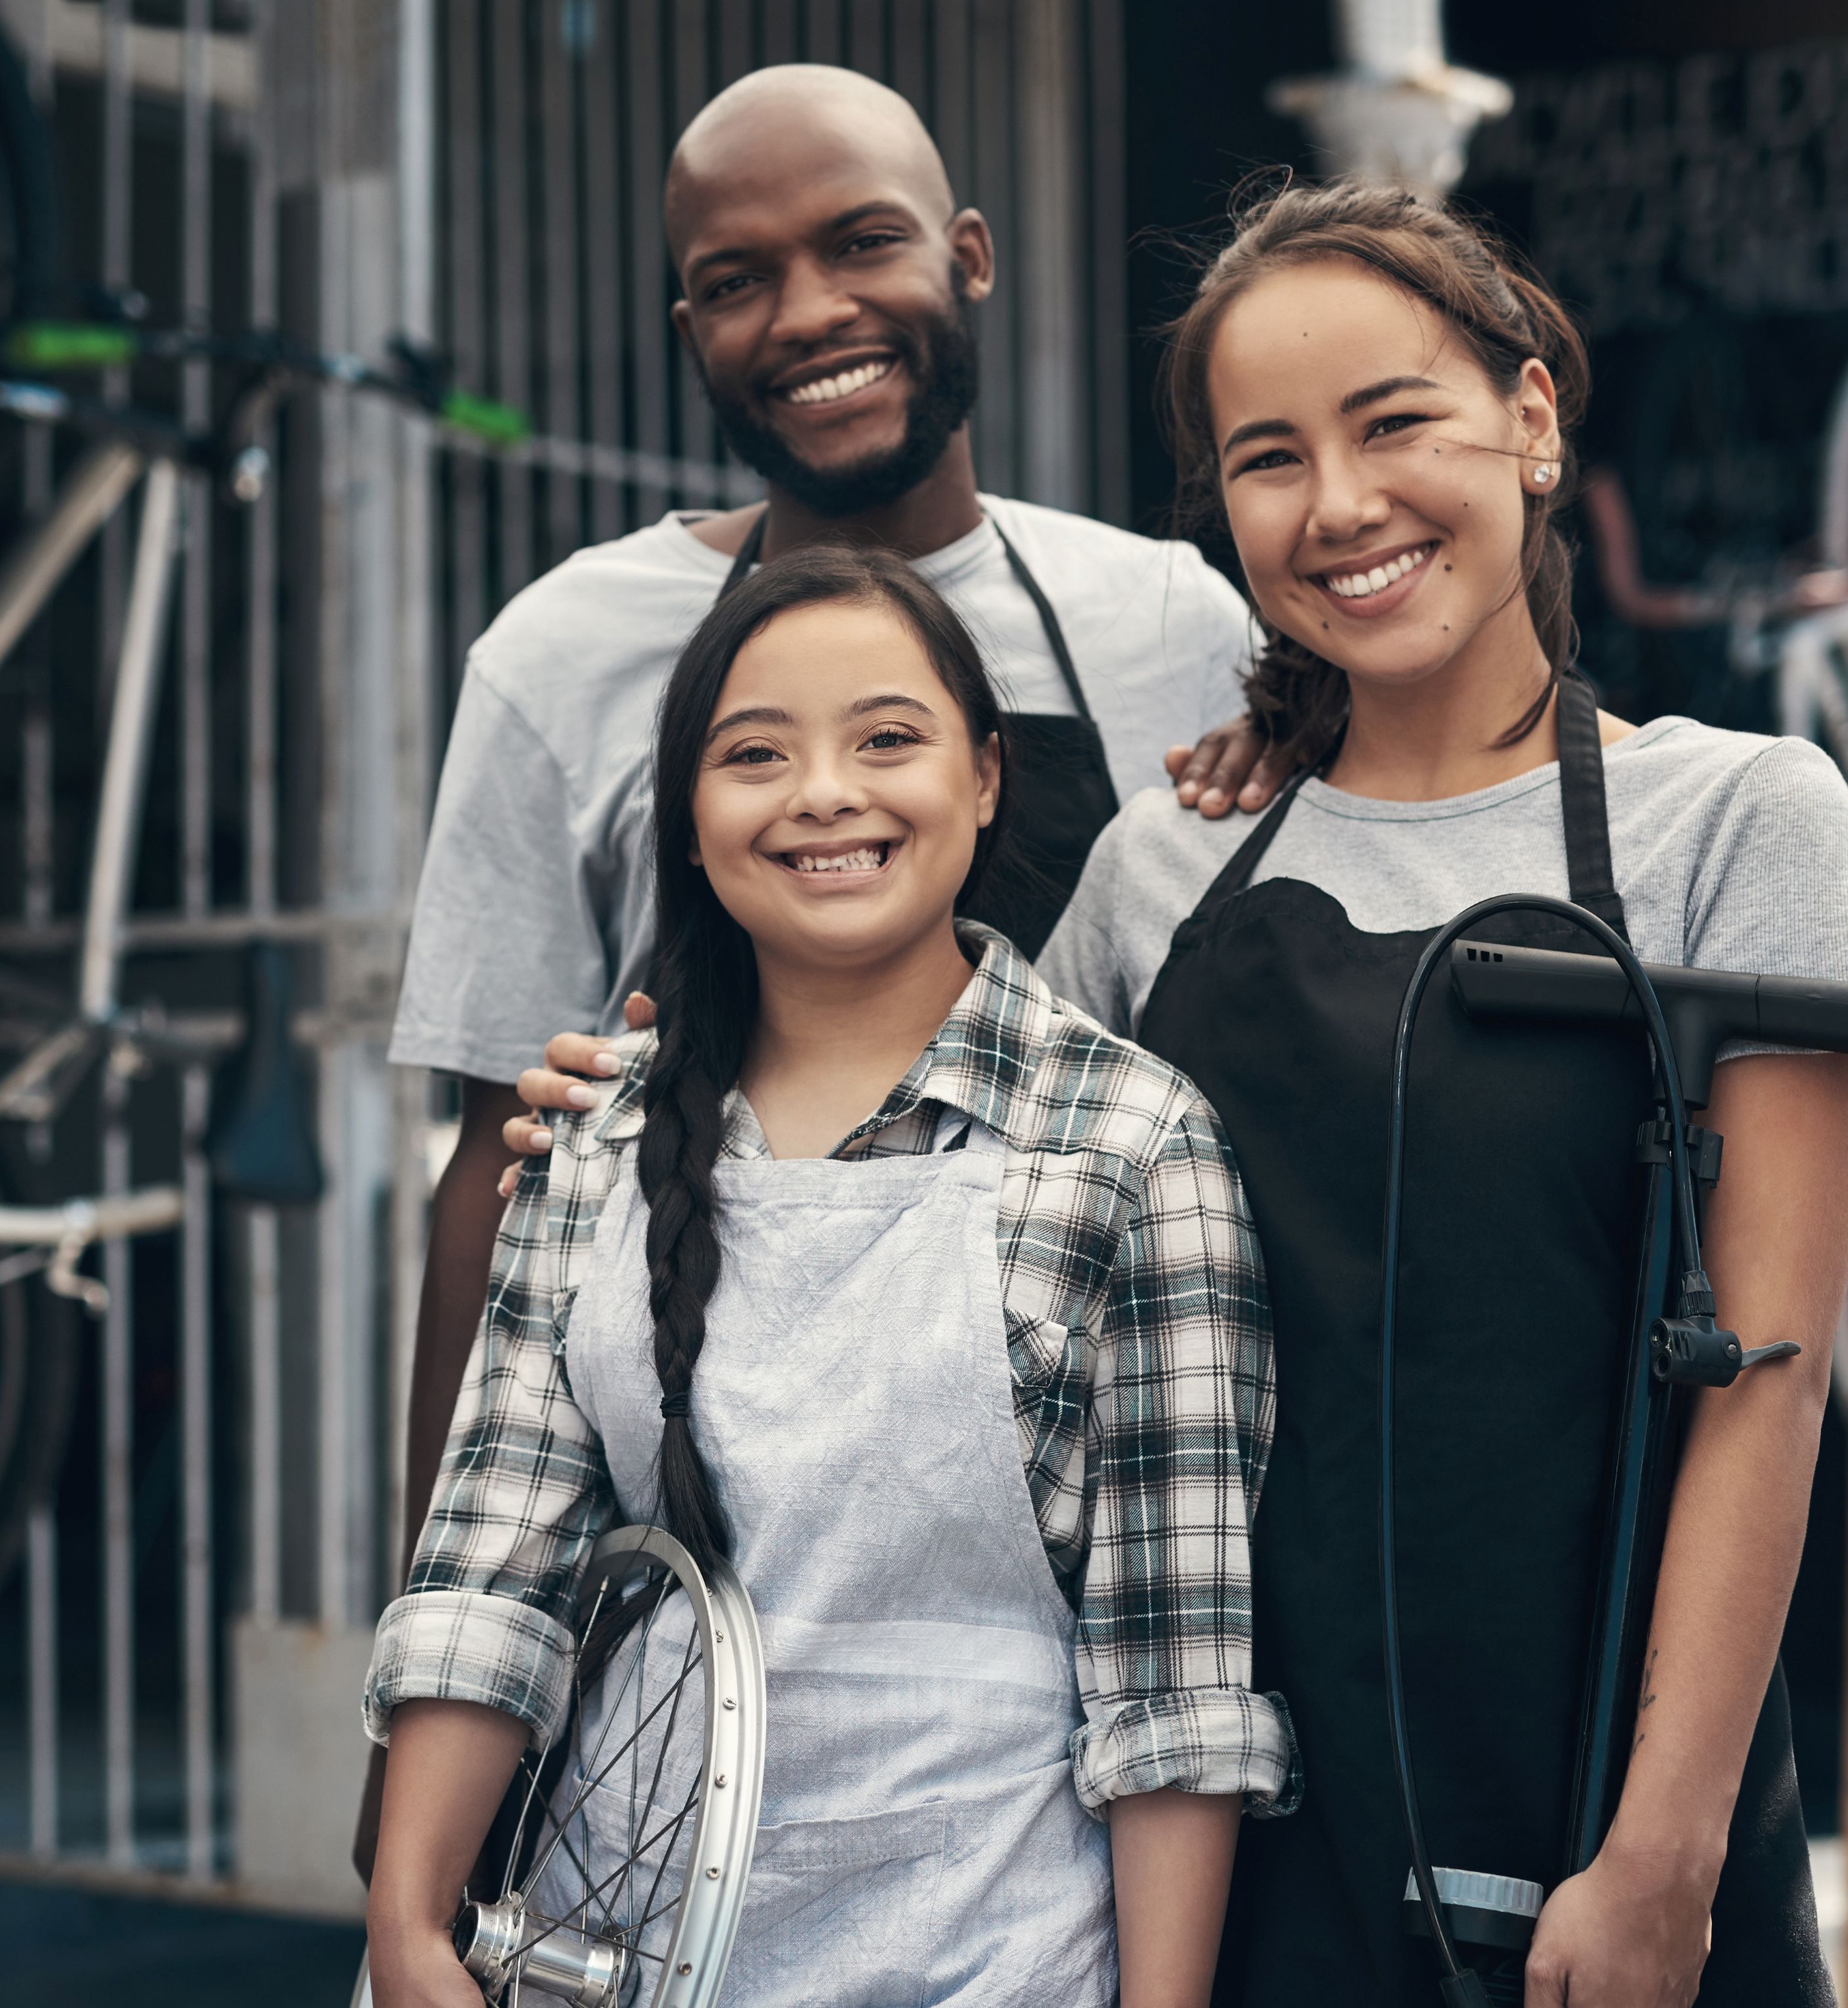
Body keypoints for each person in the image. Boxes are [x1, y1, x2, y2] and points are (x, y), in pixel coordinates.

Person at [516, 181, 1848, 2006]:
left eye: (1393, 422)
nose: (1337, 506)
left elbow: (1768, 1393)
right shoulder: (1161, 869)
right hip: (1191, 1841)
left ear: (1533, 421)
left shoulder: (1738, 822)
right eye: (1267, 459)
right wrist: (640, 1101)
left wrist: (1661, 1853)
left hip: (1575, 1836)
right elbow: (907, 1185)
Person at [367, 69, 1290, 1873]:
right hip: (703, 1595)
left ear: (966, 256)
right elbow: (493, 1188)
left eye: (860, 242)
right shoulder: (561, 656)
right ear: (688, 324)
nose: (806, 312)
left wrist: (1294, 730)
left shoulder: (1173, 624)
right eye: (735, 276)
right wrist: (435, 1749)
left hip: (1091, 1556)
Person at [362, 545, 1290, 2008]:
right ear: (688, 813)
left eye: (887, 740)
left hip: (993, 1952)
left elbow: (1172, 1677)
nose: (824, 795)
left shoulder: (1136, 1146)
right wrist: (409, 1926)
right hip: (616, 1947)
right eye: (755, 754)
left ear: (986, 779)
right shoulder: (596, 1143)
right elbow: (492, 1571)